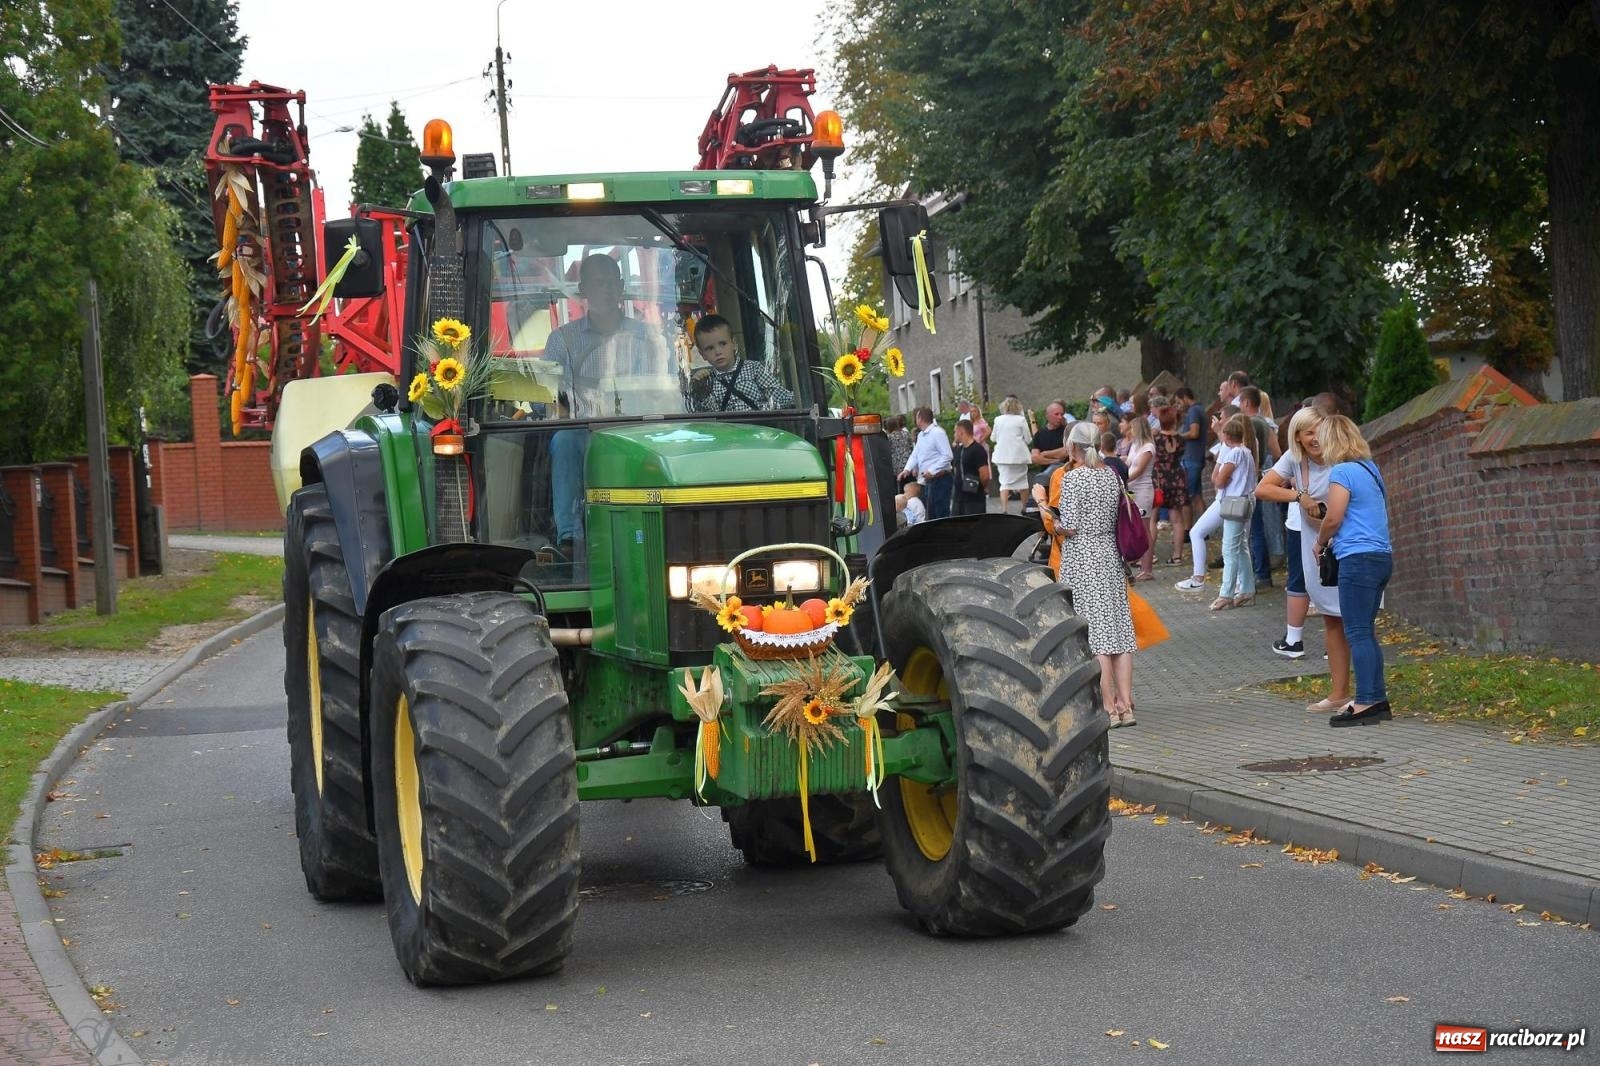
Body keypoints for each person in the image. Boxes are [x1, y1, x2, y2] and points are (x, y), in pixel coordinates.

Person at [1255, 405, 1352, 714]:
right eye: (1308, 432)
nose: (1316, 438)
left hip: (1348, 542)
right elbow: (1263, 489)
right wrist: (1299, 497)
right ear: (1297, 437)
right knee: (1331, 618)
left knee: (1355, 619)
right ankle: (1339, 692)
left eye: (1319, 429)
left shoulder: (1342, 455)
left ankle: (1369, 694)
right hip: (1317, 548)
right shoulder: (1295, 461)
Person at [1049, 422, 1138, 727]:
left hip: (1084, 557)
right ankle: (1127, 706)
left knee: (1097, 638)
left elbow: (1069, 526)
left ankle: (1109, 708)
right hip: (1110, 556)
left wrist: (1048, 514)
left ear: (1073, 447)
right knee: (1120, 635)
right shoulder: (1111, 476)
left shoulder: (1072, 480)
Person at [1313, 415, 1394, 727]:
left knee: (1357, 632)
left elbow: (1334, 517)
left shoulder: (1342, 472)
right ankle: (1376, 697)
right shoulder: (1371, 470)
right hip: (1380, 557)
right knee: (1366, 632)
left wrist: (1320, 542)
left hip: (1356, 559)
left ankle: (1365, 701)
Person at [684, 314, 794, 412]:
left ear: (734, 344)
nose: (718, 352)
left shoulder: (754, 369)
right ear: (702, 354)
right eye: (710, 348)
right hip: (729, 433)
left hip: (761, 430)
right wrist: (701, 391)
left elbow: (778, 396)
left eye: (723, 344)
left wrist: (799, 398)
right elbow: (711, 415)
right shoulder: (708, 381)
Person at [1208, 414, 1259, 610]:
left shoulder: (1233, 453)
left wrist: (1222, 478)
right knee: (1240, 547)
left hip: (1234, 502)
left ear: (1227, 436)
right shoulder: (1247, 452)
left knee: (1228, 549)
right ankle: (1247, 588)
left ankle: (1226, 593)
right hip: (1246, 500)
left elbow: (1219, 480)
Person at [1238, 385, 1282, 587]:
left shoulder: (1249, 424)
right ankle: (1262, 571)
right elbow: (1277, 453)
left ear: (1246, 403)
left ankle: (1260, 571)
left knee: (1252, 528)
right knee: (1258, 525)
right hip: (1262, 475)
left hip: (1250, 479)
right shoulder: (1266, 423)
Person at [1151, 396, 1190, 566]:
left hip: (1159, 479)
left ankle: (1150, 556)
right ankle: (1177, 556)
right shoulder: (1181, 439)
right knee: (1177, 521)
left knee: (1152, 519)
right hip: (1177, 478)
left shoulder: (1155, 439)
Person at [899, 406, 954, 519]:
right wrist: (907, 469)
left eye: (916, 417)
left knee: (941, 512)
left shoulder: (937, 433)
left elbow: (948, 455)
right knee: (931, 513)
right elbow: (916, 454)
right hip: (929, 480)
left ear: (920, 418)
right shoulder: (921, 435)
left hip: (941, 478)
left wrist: (932, 470)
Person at [1123, 414, 1156, 581]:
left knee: (1144, 529)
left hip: (1142, 490)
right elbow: (1129, 463)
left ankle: (1147, 568)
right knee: (1134, 527)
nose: (1130, 431)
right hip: (1132, 490)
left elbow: (1139, 470)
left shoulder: (1148, 447)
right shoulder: (1135, 445)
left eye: (1132, 428)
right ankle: (1139, 563)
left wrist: (1122, 480)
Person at [989, 396, 1033, 515]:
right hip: (1019, 456)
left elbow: (993, 438)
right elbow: (1028, 439)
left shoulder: (998, 420)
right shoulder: (1021, 420)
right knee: (1023, 482)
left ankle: (1004, 509)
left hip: (1002, 456)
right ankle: (1024, 508)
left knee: (1004, 483)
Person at [1175, 386, 1207, 528]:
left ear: (1185, 397)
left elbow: (1194, 433)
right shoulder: (1199, 410)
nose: (1178, 405)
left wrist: (1179, 436)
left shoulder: (1194, 410)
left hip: (1191, 458)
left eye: (1179, 402)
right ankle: (1204, 528)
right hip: (1197, 457)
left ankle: (1187, 529)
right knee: (1197, 496)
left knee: (1186, 496)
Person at [951, 418, 991, 516]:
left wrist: (980, 486)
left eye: (955, 432)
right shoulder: (959, 450)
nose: (954, 435)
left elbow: (984, 475)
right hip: (959, 498)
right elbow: (956, 470)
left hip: (974, 499)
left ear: (961, 432)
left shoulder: (978, 450)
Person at [1029, 401, 1069, 466]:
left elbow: (1066, 451)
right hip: (1045, 474)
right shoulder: (1039, 434)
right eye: (1056, 414)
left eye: (1061, 414)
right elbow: (1034, 458)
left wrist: (1045, 454)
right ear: (1047, 415)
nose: (1060, 417)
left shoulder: (1067, 431)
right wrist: (1056, 461)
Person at [884, 414, 915, 493]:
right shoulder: (906, 434)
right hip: (908, 467)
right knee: (910, 491)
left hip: (896, 470)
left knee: (899, 492)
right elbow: (912, 448)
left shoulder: (889, 438)